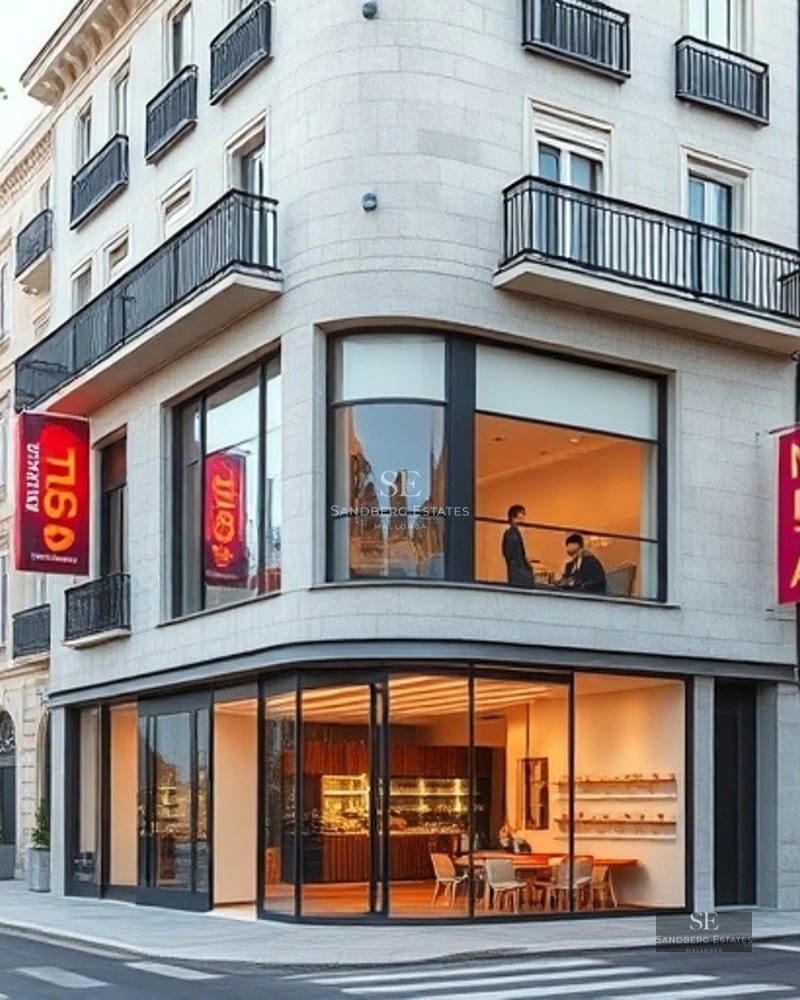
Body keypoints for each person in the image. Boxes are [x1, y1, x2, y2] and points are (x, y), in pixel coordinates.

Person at [502, 505, 535, 588]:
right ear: (513, 517)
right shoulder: (511, 534)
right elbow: (511, 555)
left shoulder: (515, 532)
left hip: (518, 572)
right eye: (521, 514)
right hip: (518, 574)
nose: (524, 517)